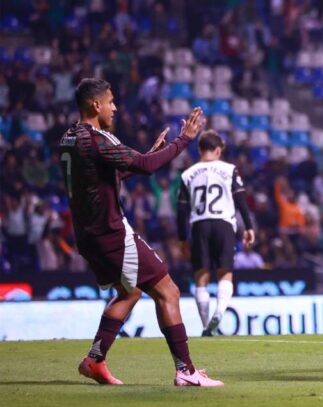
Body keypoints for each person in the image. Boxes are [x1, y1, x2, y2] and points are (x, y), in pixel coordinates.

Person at [62, 78, 222, 387]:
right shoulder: (98, 138)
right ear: (96, 105)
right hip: (111, 233)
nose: (115, 107)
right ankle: (186, 371)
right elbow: (146, 167)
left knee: (130, 291)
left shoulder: (69, 138)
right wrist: (183, 140)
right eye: (110, 101)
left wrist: (147, 155)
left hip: (87, 236)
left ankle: (95, 360)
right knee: (169, 291)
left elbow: (107, 176)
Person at [176, 130, 255, 336]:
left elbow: (181, 210)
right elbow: (240, 200)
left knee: (201, 276)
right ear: (218, 150)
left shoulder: (187, 174)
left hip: (199, 225)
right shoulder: (229, 169)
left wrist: (182, 238)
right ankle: (219, 312)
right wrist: (249, 226)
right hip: (223, 224)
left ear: (199, 149)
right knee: (225, 273)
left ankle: (206, 326)